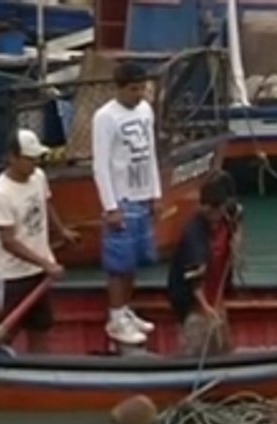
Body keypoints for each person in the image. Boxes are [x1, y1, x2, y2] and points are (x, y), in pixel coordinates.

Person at [0, 128, 78, 354]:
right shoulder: (0, 194)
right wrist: (47, 264)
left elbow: (45, 203)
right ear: (12, 158)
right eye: (28, 159)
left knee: (40, 326)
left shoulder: (37, 177)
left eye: (36, 159)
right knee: (6, 333)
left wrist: (62, 230)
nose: (34, 165)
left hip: (38, 270)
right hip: (11, 275)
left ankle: (39, 366)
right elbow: (9, 242)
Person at [92, 60, 163, 346]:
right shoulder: (105, 117)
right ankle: (116, 316)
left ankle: (127, 309)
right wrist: (111, 207)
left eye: (142, 89)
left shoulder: (146, 110)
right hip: (121, 197)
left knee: (135, 260)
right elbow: (101, 165)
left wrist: (156, 193)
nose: (140, 95)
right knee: (118, 263)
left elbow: (152, 153)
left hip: (143, 194)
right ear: (119, 88)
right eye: (134, 89)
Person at [166, 176, 239, 357]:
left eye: (220, 211)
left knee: (223, 348)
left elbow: (239, 216)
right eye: (212, 213)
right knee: (197, 347)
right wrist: (207, 309)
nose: (216, 217)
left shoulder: (227, 213)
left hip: (216, 293)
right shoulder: (194, 237)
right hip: (194, 301)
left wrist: (237, 244)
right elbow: (195, 282)